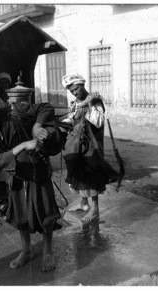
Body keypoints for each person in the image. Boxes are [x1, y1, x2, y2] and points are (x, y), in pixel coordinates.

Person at [0, 81, 61, 272]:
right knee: (20, 214)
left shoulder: (14, 111)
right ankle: (26, 250)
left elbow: (45, 107)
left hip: (36, 168)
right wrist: (23, 145)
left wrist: (37, 126)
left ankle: (48, 250)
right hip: (14, 174)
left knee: (45, 212)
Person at [61, 73, 107, 222]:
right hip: (78, 144)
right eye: (71, 91)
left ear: (82, 85)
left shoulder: (95, 100)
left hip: (92, 145)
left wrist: (89, 104)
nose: (74, 92)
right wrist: (65, 122)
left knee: (91, 175)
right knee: (79, 172)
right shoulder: (76, 102)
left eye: (76, 89)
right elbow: (73, 118)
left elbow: (98, 121)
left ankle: (95, 210)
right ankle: (84, 204)